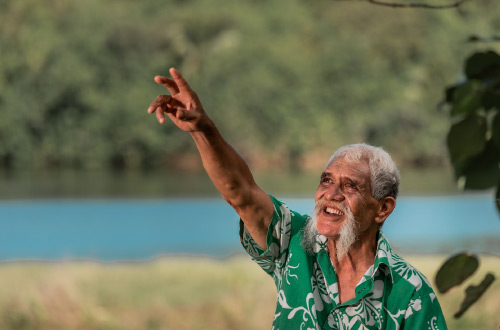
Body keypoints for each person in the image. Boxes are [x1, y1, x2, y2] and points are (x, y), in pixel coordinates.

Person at [147, 68, 448, 330]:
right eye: (326, 180)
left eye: (350, 186)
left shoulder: (410, 292)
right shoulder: (294, 241)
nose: (331, 194)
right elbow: (241, 194)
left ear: (383, 208)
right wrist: (204, 130)